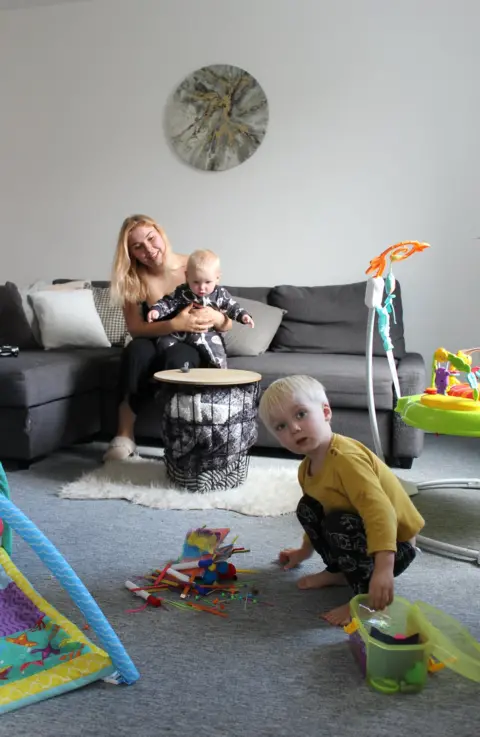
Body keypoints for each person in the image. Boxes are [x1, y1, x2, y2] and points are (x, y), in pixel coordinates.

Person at [258, 375, 424, 626]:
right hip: (359, 533)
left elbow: (380, 512)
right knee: (308, 508)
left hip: (396, 545)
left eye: (300, 414)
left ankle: (365, 597)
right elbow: (319, 512)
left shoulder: (346, 459)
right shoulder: (307, 468)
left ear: (325, 412)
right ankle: (339, 572)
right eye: (280, 426)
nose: (293, 428)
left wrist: (383, 569)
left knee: (338, 523)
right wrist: (304, 551)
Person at [103, 215, 232, 462]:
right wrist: (173, 324)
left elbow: (227, 323)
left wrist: (215, 318)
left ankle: (181, 440)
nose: (149, 250)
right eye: (137, 247)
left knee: (179, 357)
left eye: (151, 239)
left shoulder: (194, 265)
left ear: (160, 233)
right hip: (153, 339)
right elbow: (136, 329)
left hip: (191, 343)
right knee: (135, 351)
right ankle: (124, 436)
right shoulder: (134, 277)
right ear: (130, 253)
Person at [146, 249, 254, 369]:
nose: (202, 288)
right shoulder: (182, 291)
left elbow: (232, 306)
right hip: (180, 331)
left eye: (208, 282)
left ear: (218, 278)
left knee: (217, 356)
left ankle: (220, 380)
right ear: (187, 276)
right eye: (196, 282)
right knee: (162, 343)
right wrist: (156, 310)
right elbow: (168, 302)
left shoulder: (220, 293)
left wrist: (243, 316)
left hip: (206, 333)